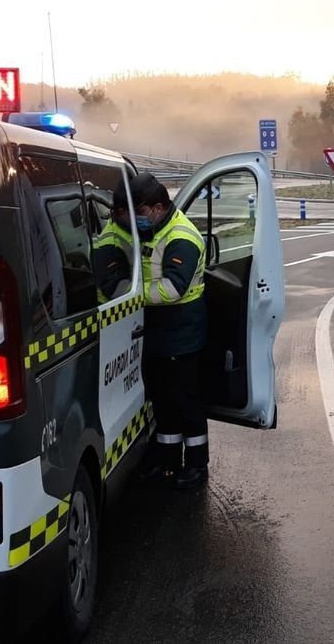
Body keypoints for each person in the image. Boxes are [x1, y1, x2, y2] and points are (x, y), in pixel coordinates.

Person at [125, 172, 210, 490]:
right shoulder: (155, 230)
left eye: (141, 212)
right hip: (160, 334)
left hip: (182, 333)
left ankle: (197, 464)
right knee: (162, 400)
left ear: (159, 207)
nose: (137, 219)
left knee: (186, 400)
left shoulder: (181, 237)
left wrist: (131, 294)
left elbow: (173, 288)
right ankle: (168, 460)